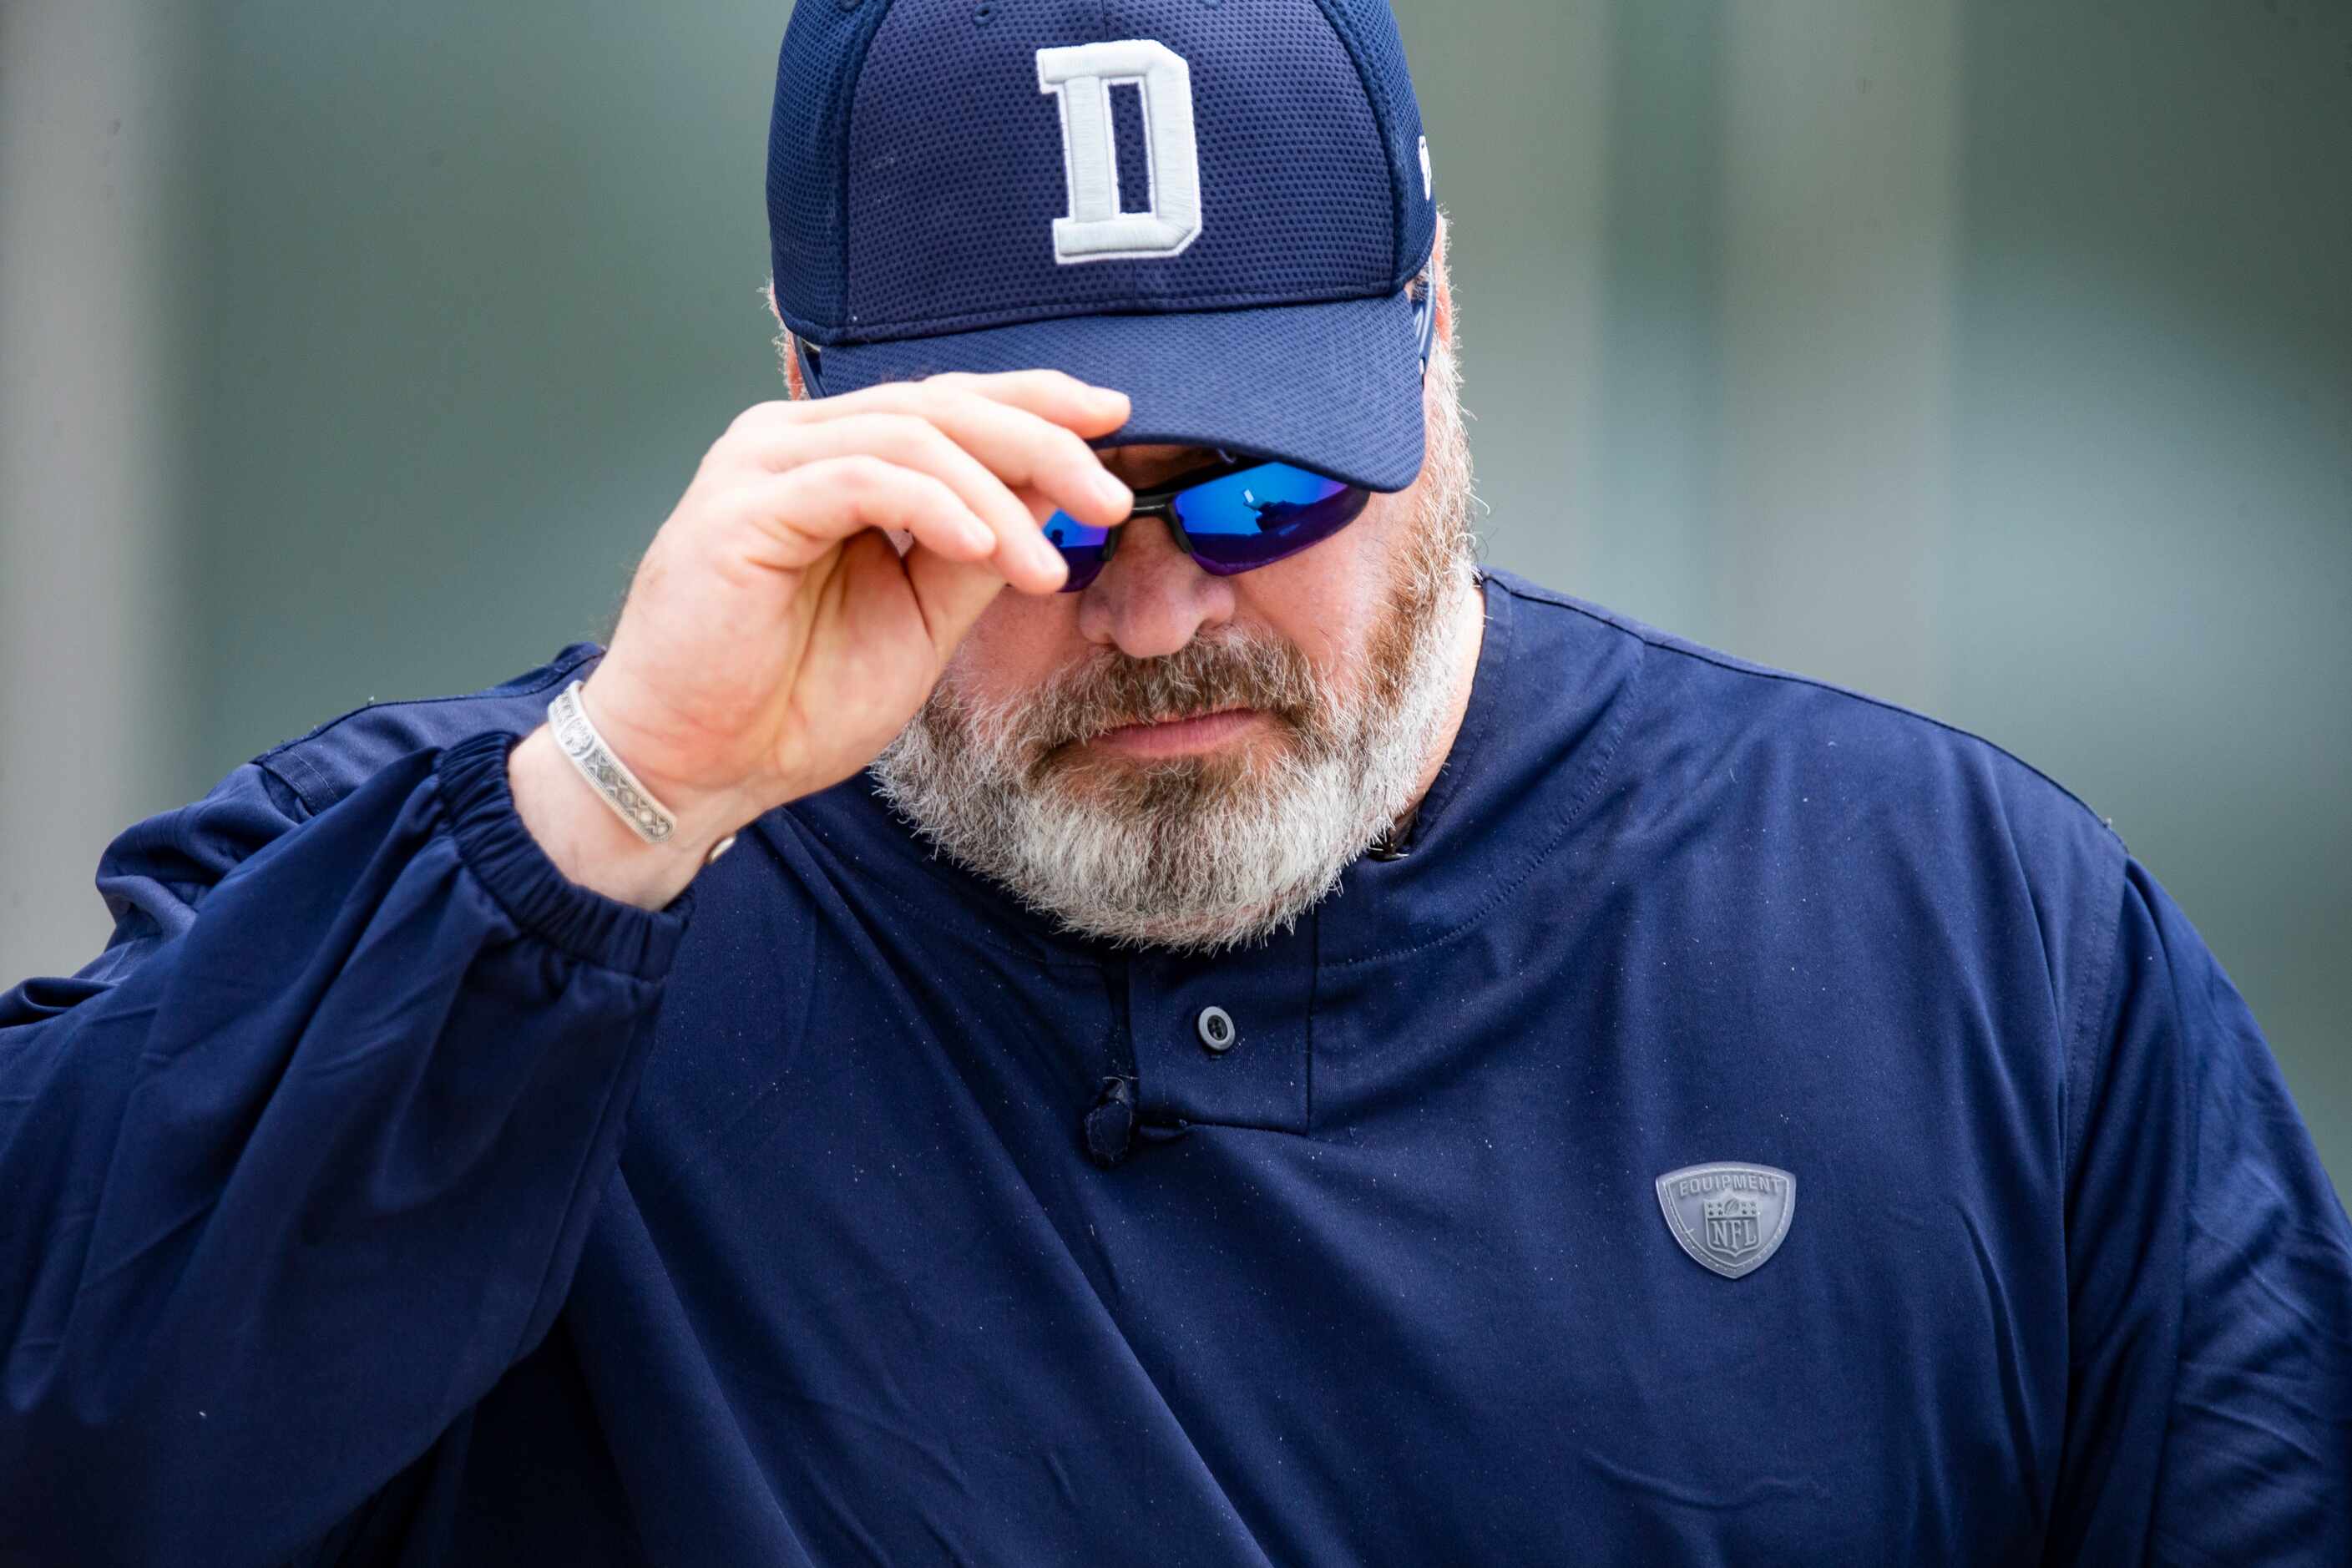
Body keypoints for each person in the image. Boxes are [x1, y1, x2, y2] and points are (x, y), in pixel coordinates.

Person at [3, 0, 2348, 1562]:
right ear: (807, 403)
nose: (1152, 613)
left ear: (1432, 351)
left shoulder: (1952, 931)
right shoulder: (502, 882)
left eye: (1256, 491)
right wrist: (614, 803)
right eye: (1022, 511)